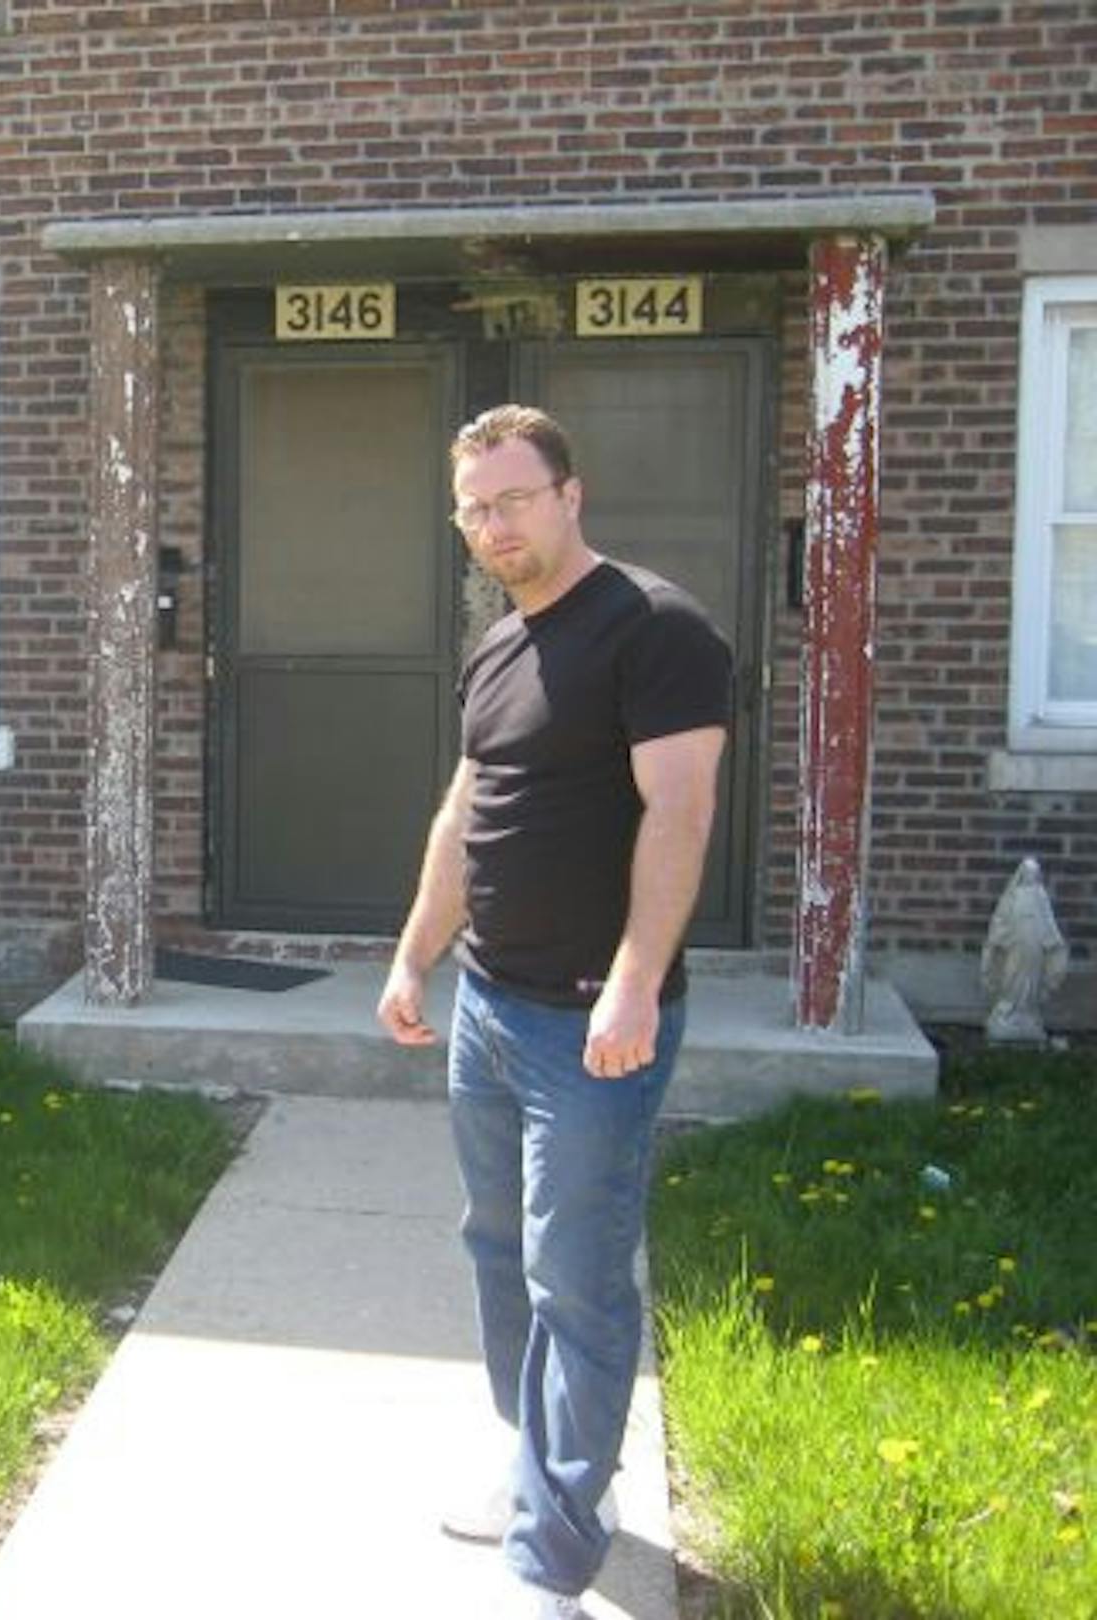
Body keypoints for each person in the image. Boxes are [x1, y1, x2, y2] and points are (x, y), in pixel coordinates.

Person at [376, 404, 731, 1619]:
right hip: (489, 1003)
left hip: (591, 1023)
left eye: (513, 499)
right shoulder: (501, 643)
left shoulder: (656, 629)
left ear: (571, 494)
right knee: (497, 1249)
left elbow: (680, 815)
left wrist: (634, 981)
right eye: (473, 507)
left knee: (575, 1276)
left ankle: (555, 1564)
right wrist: (417, 953)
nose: (492, 526)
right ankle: (544, 1466)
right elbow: (467, 814)